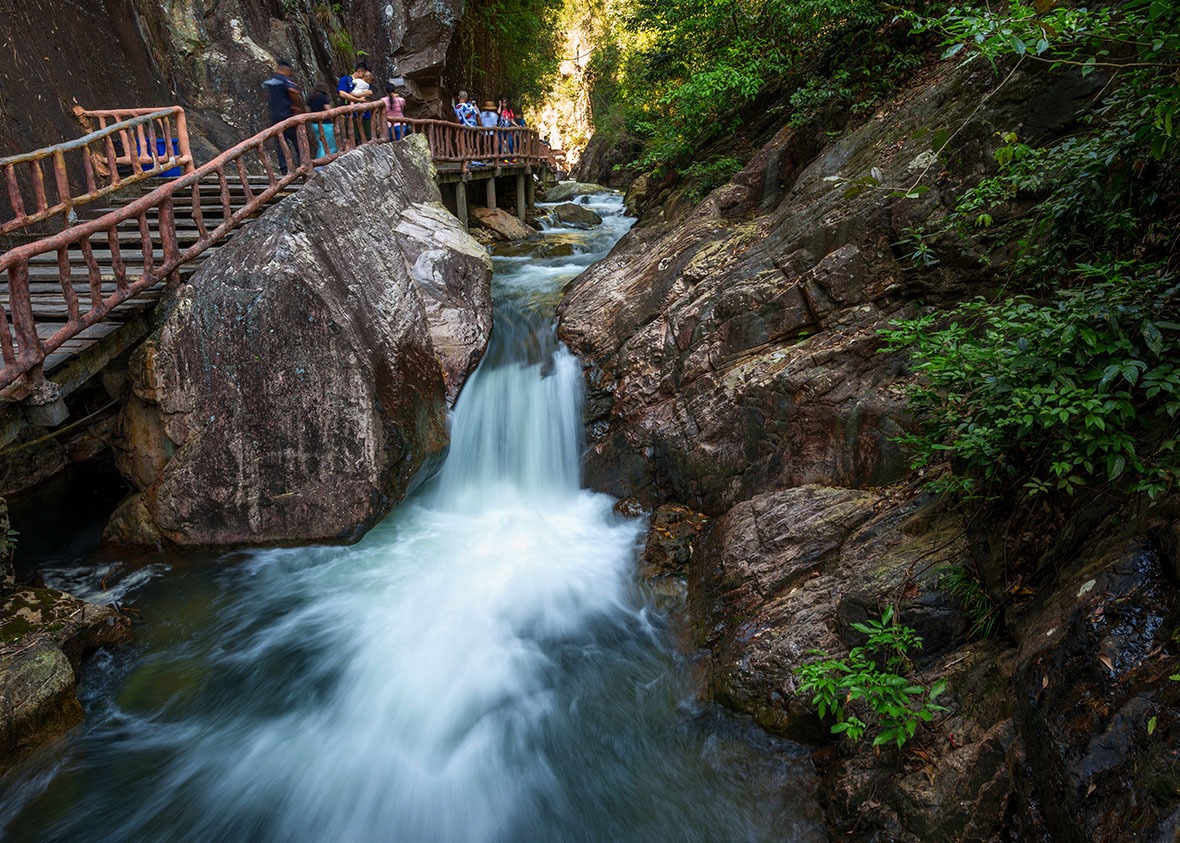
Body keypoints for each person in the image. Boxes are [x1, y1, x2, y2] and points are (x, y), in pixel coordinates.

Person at [262, 58, 305, 175]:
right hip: (288, 115)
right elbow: (292, 91)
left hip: (276, 116)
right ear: (286, 70)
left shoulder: (271, 80)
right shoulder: (286, 80)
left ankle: (284, 168)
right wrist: (297, 107)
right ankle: (304, 163)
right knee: (297, 140)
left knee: (280, 142)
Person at [308, 80, 336, 157]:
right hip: (325, 124)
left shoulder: (311, 98)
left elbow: (308, 110)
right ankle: (325, 162)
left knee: (320, 144)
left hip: (314, 124)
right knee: (329, 144)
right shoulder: (323, 98)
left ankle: (319, 162)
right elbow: (329, 111)